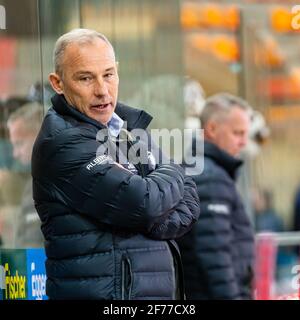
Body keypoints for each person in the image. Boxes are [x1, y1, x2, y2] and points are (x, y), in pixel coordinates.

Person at [31, 28, 200, 300]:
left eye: (108, 74)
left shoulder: (129, 128)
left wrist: (149, 211)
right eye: (85, 78)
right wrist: (170, 177)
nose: (102, 90)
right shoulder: (62, 142)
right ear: (58, 83)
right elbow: (145, 203)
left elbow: (190, 202)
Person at [177, 93, 255, 300]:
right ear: (211, 129)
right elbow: (214, 255)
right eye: (238, 133)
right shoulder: (210, 177)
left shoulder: (204, 170)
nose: (243, 142)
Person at [7, 102, 44, 247]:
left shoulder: (52, 182)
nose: (15, 154)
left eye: (20, 143)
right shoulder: (33, 182)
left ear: (38, 135)